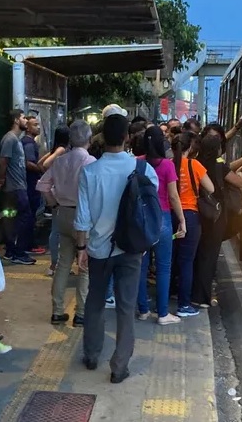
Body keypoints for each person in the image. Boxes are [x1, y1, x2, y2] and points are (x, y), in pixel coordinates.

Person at [75, 114, 158, 384]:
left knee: (95, 303)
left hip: (98, 250)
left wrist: (81, 248)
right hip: (131, 250)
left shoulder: (90, 172)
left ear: (101, 138)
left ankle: (91, 354)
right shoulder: (143, 170)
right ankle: (119, 366)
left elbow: (82, 217)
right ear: (126, 137)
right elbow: (151, 208)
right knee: (126, 306)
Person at [37, 120, 95, 327]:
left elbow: (42, 185)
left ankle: (58, 311)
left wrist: (54, 204)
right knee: (85, 267)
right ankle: (80, 314)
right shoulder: (91, 162)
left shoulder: (60, 161)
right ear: (89, 138)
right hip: (83, 218)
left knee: (63, 263)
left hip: (62, 214)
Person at [193, 135, 242, 307]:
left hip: (198, 211)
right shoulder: (218, 165)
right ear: (217, 149)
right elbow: (241, 182)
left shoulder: (196, 162)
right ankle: (201, 297)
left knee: (200, 254)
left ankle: (194, 292)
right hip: (216, 213)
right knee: (210, 256)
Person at [136, 126, 186, 325]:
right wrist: (181, 220)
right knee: (164, 268)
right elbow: (173, 196)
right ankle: (163, 314)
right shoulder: (167, 165)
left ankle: (143, 310)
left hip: (141, 219)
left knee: (141, 266)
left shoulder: (137, 163)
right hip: (163, 218)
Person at [171, 132, 214, 317]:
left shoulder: (168, 164)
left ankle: (162, 303)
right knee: (186, 261)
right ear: (190, 147)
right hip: (189, 216)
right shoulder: (194, 165)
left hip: (169, 215)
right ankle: (184, 305)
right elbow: (211, 188)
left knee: (168, 261)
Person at [0, 109, 36, 265]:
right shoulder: (10, 139)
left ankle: (12, 250)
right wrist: (2, 181)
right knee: (24, 217)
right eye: (24, 118)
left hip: (17, 187)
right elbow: (3, 162)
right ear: (17, 120)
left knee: (13, 218)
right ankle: (17, 251)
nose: (26, 120)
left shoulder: (16, 139)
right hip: (14, 188)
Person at [38, 125, 71, 276]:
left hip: (55, 193)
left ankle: (56, 264)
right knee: (57, 231)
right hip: (58, 196)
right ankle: (53, 264)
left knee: (57, 230)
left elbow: (41, 163)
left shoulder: (57, 149)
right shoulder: (62, 150)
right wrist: (54, 174)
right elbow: (44, 164)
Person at [21, 116, 45, 255]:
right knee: (30, 216)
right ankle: (29, 245)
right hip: (30, 184)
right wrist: (41, 169)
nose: (38, 127)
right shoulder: (29, 143)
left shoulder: (27, 142)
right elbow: (29, 163)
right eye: (35, 125)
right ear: (28, 128)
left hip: (28, 183)